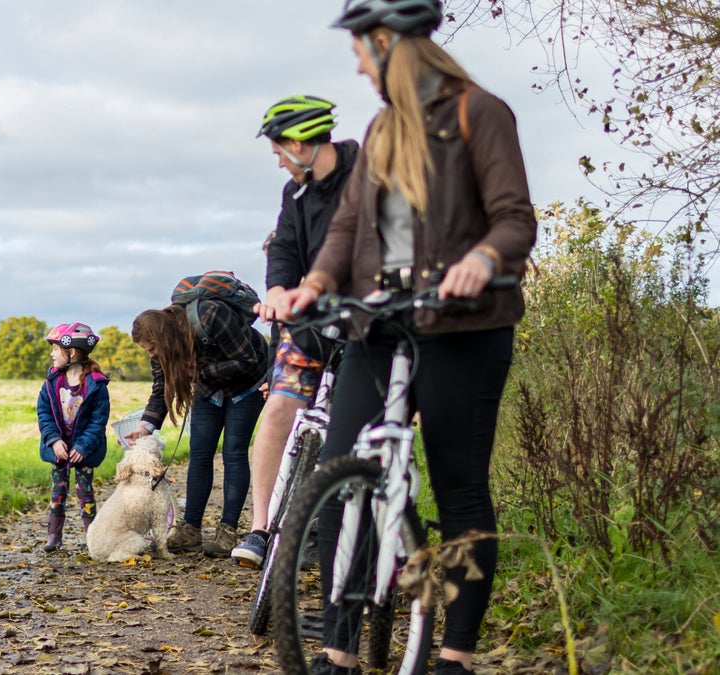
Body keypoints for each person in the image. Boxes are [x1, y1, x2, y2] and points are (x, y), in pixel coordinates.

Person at [277, 1, 538, 672]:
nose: (360, 65)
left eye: (364, 50)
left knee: (459, 488)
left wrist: (482, 260)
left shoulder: (479, 113)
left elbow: (513, 218)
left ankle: (453, 652)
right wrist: (316, 282)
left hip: (461, 327)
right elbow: (346, 228)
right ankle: (338, 648)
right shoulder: (382, 127)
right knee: (338, 474)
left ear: (392, 43)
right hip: (379, 323)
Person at [230, 95, 360, 569]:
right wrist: (279, 290)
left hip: (363, 320)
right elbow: (283, 245)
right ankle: (261, 527)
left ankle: (352, 528)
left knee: (357, 428)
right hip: (309, 324)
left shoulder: (363, 174)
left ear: (304, 142)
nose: (278, 160)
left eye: (281, 150)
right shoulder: (295, 193)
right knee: (281, 406)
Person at [125, 301, 269, 558]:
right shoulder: (163, 353)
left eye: (153, 349)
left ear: (163, 338)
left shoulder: (211, 315)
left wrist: (200, 372)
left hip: (248, 384)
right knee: (200, 451)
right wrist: (144, 427)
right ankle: (190, 530)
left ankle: (228, 531)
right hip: (208, 386)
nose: (152, 356)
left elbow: (247, 360)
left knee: (234, 451)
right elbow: (161, 389)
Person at [36, 322, 111, 552]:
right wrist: (53, 439)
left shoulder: (96, 385)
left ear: (72, 352)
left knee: (85, 492)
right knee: (57, 491)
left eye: (55, 349)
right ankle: (54, 535)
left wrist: (84, 446)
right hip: (59, 448)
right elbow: (44, 413)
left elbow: (98, 422)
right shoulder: (51, 383)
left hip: (82, 450)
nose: (51, 354)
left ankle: (93, 536)